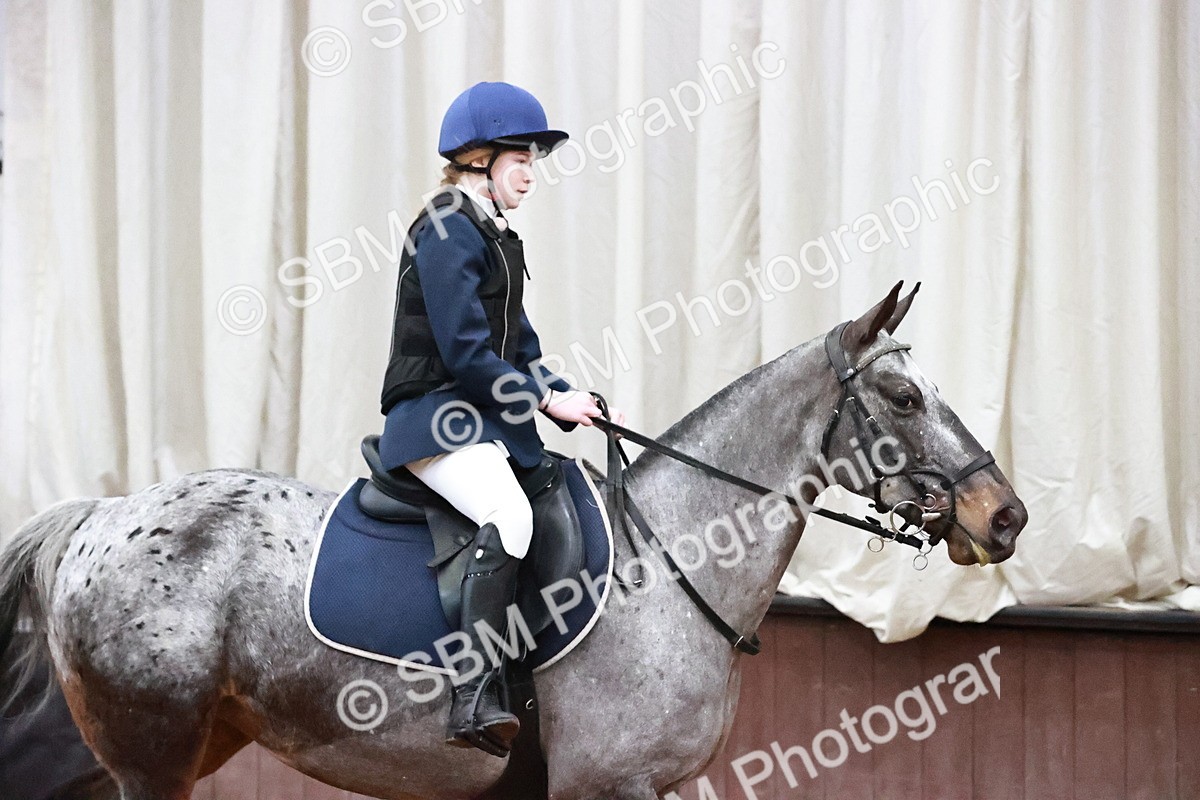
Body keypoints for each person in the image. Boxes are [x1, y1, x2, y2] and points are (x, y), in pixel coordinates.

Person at [376, 81, 624, 756]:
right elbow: (465, 353)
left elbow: (522, 350)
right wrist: (544, 402)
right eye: (522, 159)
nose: (531, 174)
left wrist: (571, 397)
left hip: (480, 421)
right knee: (509, 516)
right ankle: (472, 693)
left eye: (533, 161)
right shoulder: (446, 228)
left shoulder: (495, 235)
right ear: (480, 159)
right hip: (433, 417)